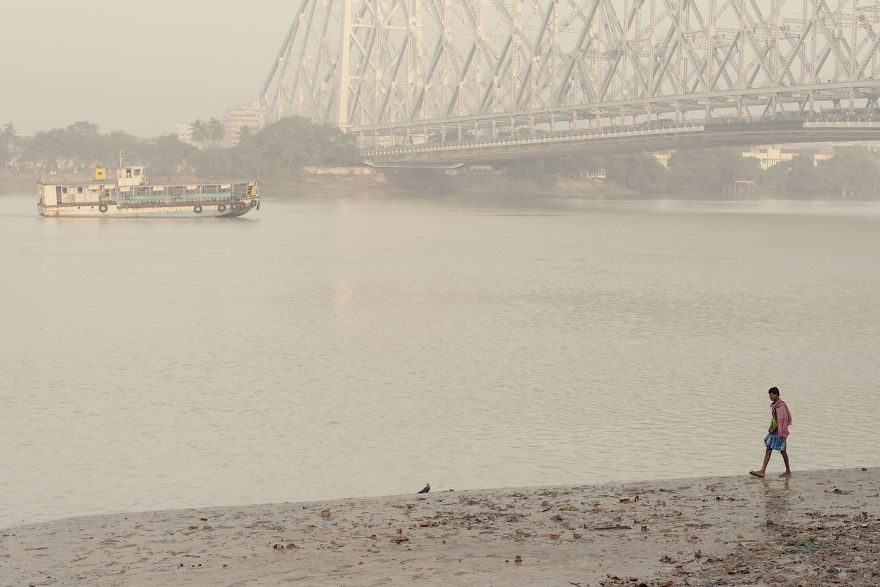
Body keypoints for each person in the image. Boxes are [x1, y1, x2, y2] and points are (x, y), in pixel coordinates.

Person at [750, 386, 792, 478]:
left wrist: (774, 429)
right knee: (768, 449)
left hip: (780, 432)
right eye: (769, 395)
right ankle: (762, 471)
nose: (770, 397)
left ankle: (788, 471)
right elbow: (775, 419)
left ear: (776, 395)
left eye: (771, 395)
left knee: (783, 451)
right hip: (774, 431)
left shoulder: (781, 406)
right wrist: (771, 427)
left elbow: (781, 421)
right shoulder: (775, 405)